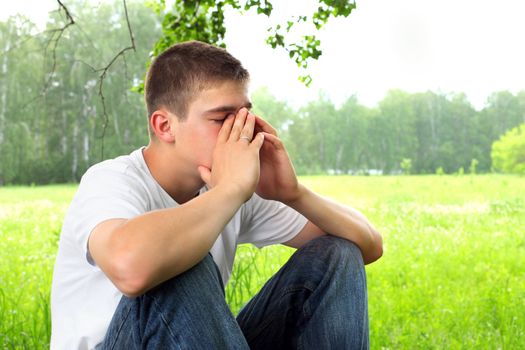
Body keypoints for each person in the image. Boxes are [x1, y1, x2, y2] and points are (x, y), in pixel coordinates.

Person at [50, 40, 383, 350]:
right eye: (223, 118)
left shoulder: (229, 188)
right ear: (165, 126)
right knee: (176, 262)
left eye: (244, 116)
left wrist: (293, 193)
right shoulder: (111, 180)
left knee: (336, 255)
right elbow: (131, 267)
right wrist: (231, 190)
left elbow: (367, 245)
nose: (243, 130)